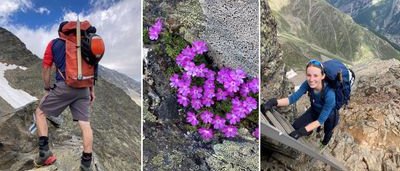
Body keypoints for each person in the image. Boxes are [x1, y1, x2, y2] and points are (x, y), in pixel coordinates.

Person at [34, 21, 96, 171]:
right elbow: (92, 67)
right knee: (85, 124)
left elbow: (46, 67)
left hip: (64, 86)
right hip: (84, 89)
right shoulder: (86, 43)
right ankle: (86, 164)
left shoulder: (54, 44)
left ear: (60, 32)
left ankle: (44, 154)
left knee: (40, 113)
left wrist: (47, 88)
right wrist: (91, 90)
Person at [261, 59, 339, 146]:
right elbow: (292, 99)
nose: (311, 79)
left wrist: (301, 132)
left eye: (316, 75)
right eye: (309, 75)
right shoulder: (307, 84)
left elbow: (320, 121)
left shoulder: (330, 95)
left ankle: (325, 142)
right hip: (314, 110)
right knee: (295, 127)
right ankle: (309, 131)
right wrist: (273, 102)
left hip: (330, 116)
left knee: (328, 130)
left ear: (323, 76)